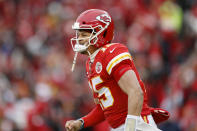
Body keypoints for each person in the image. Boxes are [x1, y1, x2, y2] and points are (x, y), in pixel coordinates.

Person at [65, 9, 169, 131]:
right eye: (78, 35)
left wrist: (130, 127)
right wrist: (82, 122)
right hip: (121, 126)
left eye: (84, 34)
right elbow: (106, 108)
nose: (79, 39)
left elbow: (136, 92)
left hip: (137, 124)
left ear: (101, 34)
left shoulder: (111, 53)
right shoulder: (91, 63)